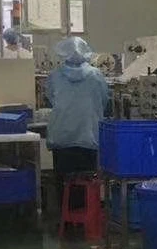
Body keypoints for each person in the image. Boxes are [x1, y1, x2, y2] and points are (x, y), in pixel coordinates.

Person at [45, 36, 111, 199]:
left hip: (61, 136)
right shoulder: (96, 75)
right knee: (86, 181)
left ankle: (64, 212)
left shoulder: (55, 75)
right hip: (87, 136)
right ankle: (86, 212)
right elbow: (104, 100)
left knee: (64, 182)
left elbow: (51, 99)